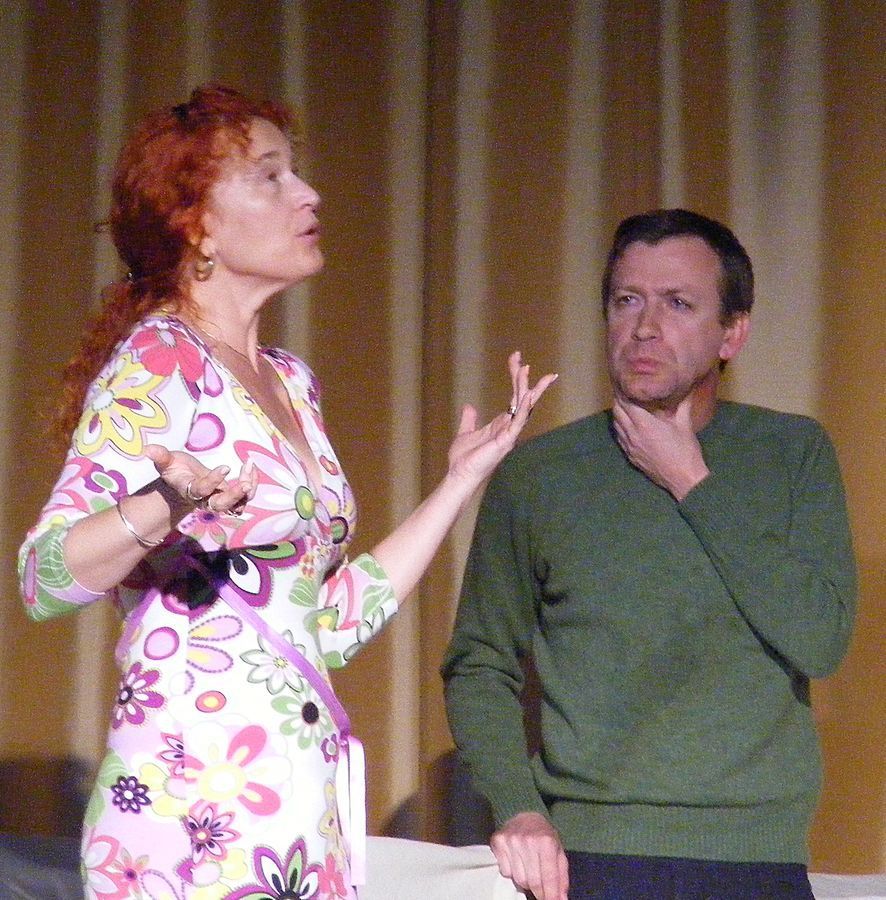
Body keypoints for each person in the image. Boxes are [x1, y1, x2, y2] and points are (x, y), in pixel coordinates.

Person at [17, 84, 555, 900]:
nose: (308, 194)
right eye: (269, 176)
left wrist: (459, 483)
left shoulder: (290, 384)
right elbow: (46, 577)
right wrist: (164, 500)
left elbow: (323, 626)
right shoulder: (161, 361)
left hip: (297, 810)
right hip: (193, 812)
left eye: (295, 172)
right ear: (196, 223)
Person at [442, 209, 857, 900]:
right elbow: (479, 662)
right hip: (591, 857)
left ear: (733, 333)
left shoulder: (792, 454)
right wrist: (518, 807)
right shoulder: (542, 474)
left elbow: (820, 638)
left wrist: (692, 482)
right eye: (626, 299)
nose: (644, 326)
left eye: (678, 304)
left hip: (756, 861)